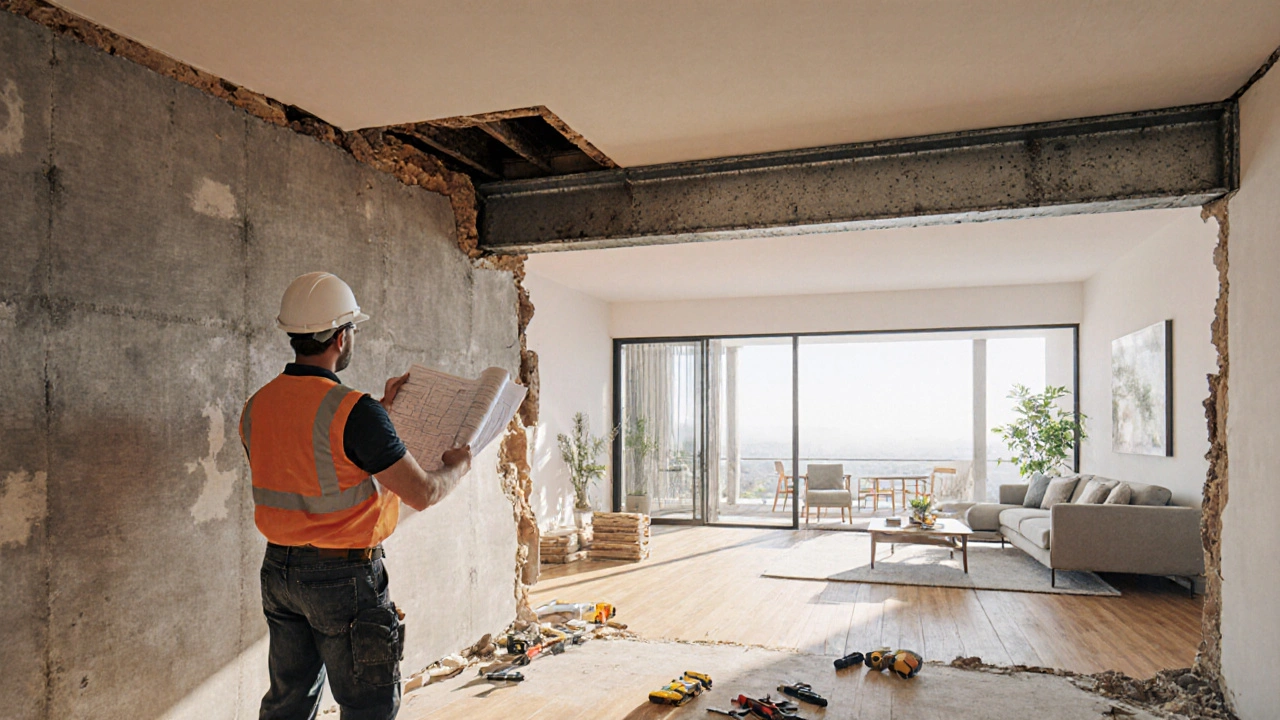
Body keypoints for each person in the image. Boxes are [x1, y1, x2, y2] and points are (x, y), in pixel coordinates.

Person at [239, 271, 472, 720]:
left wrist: (382, 413)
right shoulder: (353, 410)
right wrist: (458, 465)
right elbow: (422, 492)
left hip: (279, 572)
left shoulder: (258, 404)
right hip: (343, 578)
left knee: (288, 704)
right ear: (342, 337)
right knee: (369, 706)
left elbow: (306, 456)